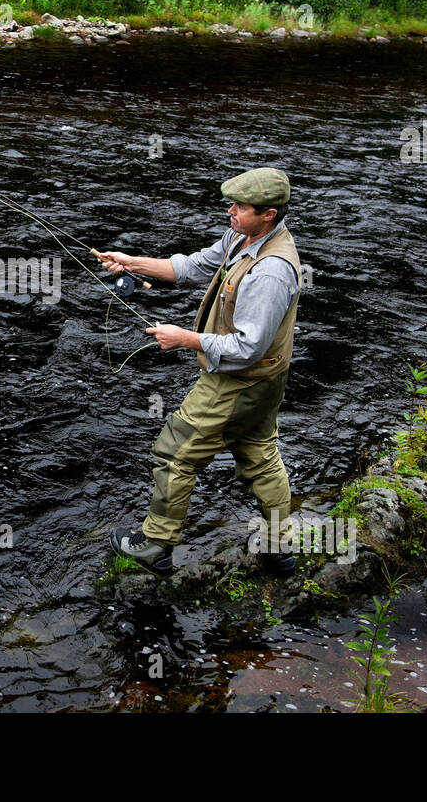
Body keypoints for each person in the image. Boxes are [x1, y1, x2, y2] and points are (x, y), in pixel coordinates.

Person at [96, 166, 302, 578]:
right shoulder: (243, 237)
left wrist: (186, 339)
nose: (231, 210)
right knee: (260, 455)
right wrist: (130, 262)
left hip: (238, 380)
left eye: (241, 206)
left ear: (269, 214)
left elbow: (248, 346)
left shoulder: (271, 271)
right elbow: (191, 267)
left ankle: (156, 546)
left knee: (174, 453)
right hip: (265, 380)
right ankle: (279, 549)